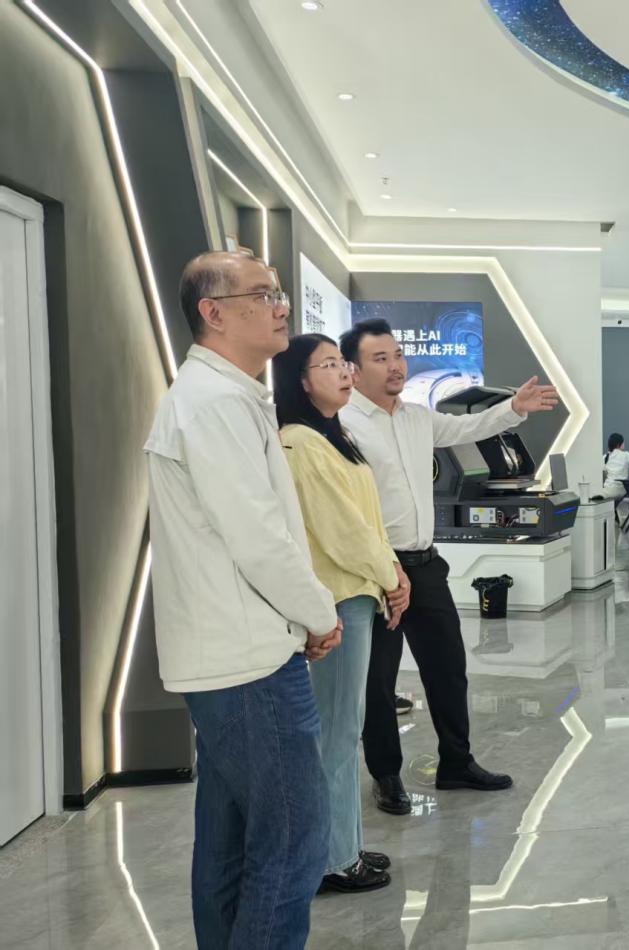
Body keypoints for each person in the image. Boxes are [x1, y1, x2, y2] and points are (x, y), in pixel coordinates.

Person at [145, 251, 341, 948]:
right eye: (262, 294)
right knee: (292, 844)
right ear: (214, 312)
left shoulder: (219, 395)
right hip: (249, 661)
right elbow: (259, 540)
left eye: (278, 292)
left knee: (231, 843)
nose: (281, 306)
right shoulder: (216, 403)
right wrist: (319, 614)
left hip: (233, 652)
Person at [339, 319, 560, 813]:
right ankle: (386, 775)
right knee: (378, 681)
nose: (395, 366)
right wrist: (379, 567)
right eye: (380, 358)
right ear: (353, 369)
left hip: (425, 565)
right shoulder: (344, 425)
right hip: (376, 571)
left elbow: (466, 428)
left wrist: (514, 408)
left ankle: (456, 762)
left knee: (448, 669)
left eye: (398, 355)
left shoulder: (418, 417)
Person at [273, 334, 411, 895]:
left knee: (344, 726)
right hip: (337, 598)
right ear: (301, 381)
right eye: (328, 364)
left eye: (341, 362)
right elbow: (342, 531)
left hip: (358, 591)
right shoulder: (299, 442)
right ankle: (333, 859)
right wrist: (392, 576)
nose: (343, 372)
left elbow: (366, 521)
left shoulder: (334, 435)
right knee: (335, 730)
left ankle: (344, 843)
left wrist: (390, 571)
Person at [602, 432, 629, 499]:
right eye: (623, 443)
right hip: (620, 489)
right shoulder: (625, 455)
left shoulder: (605, 457)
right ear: (619, 444)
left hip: (607, 488)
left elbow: (603, 474)